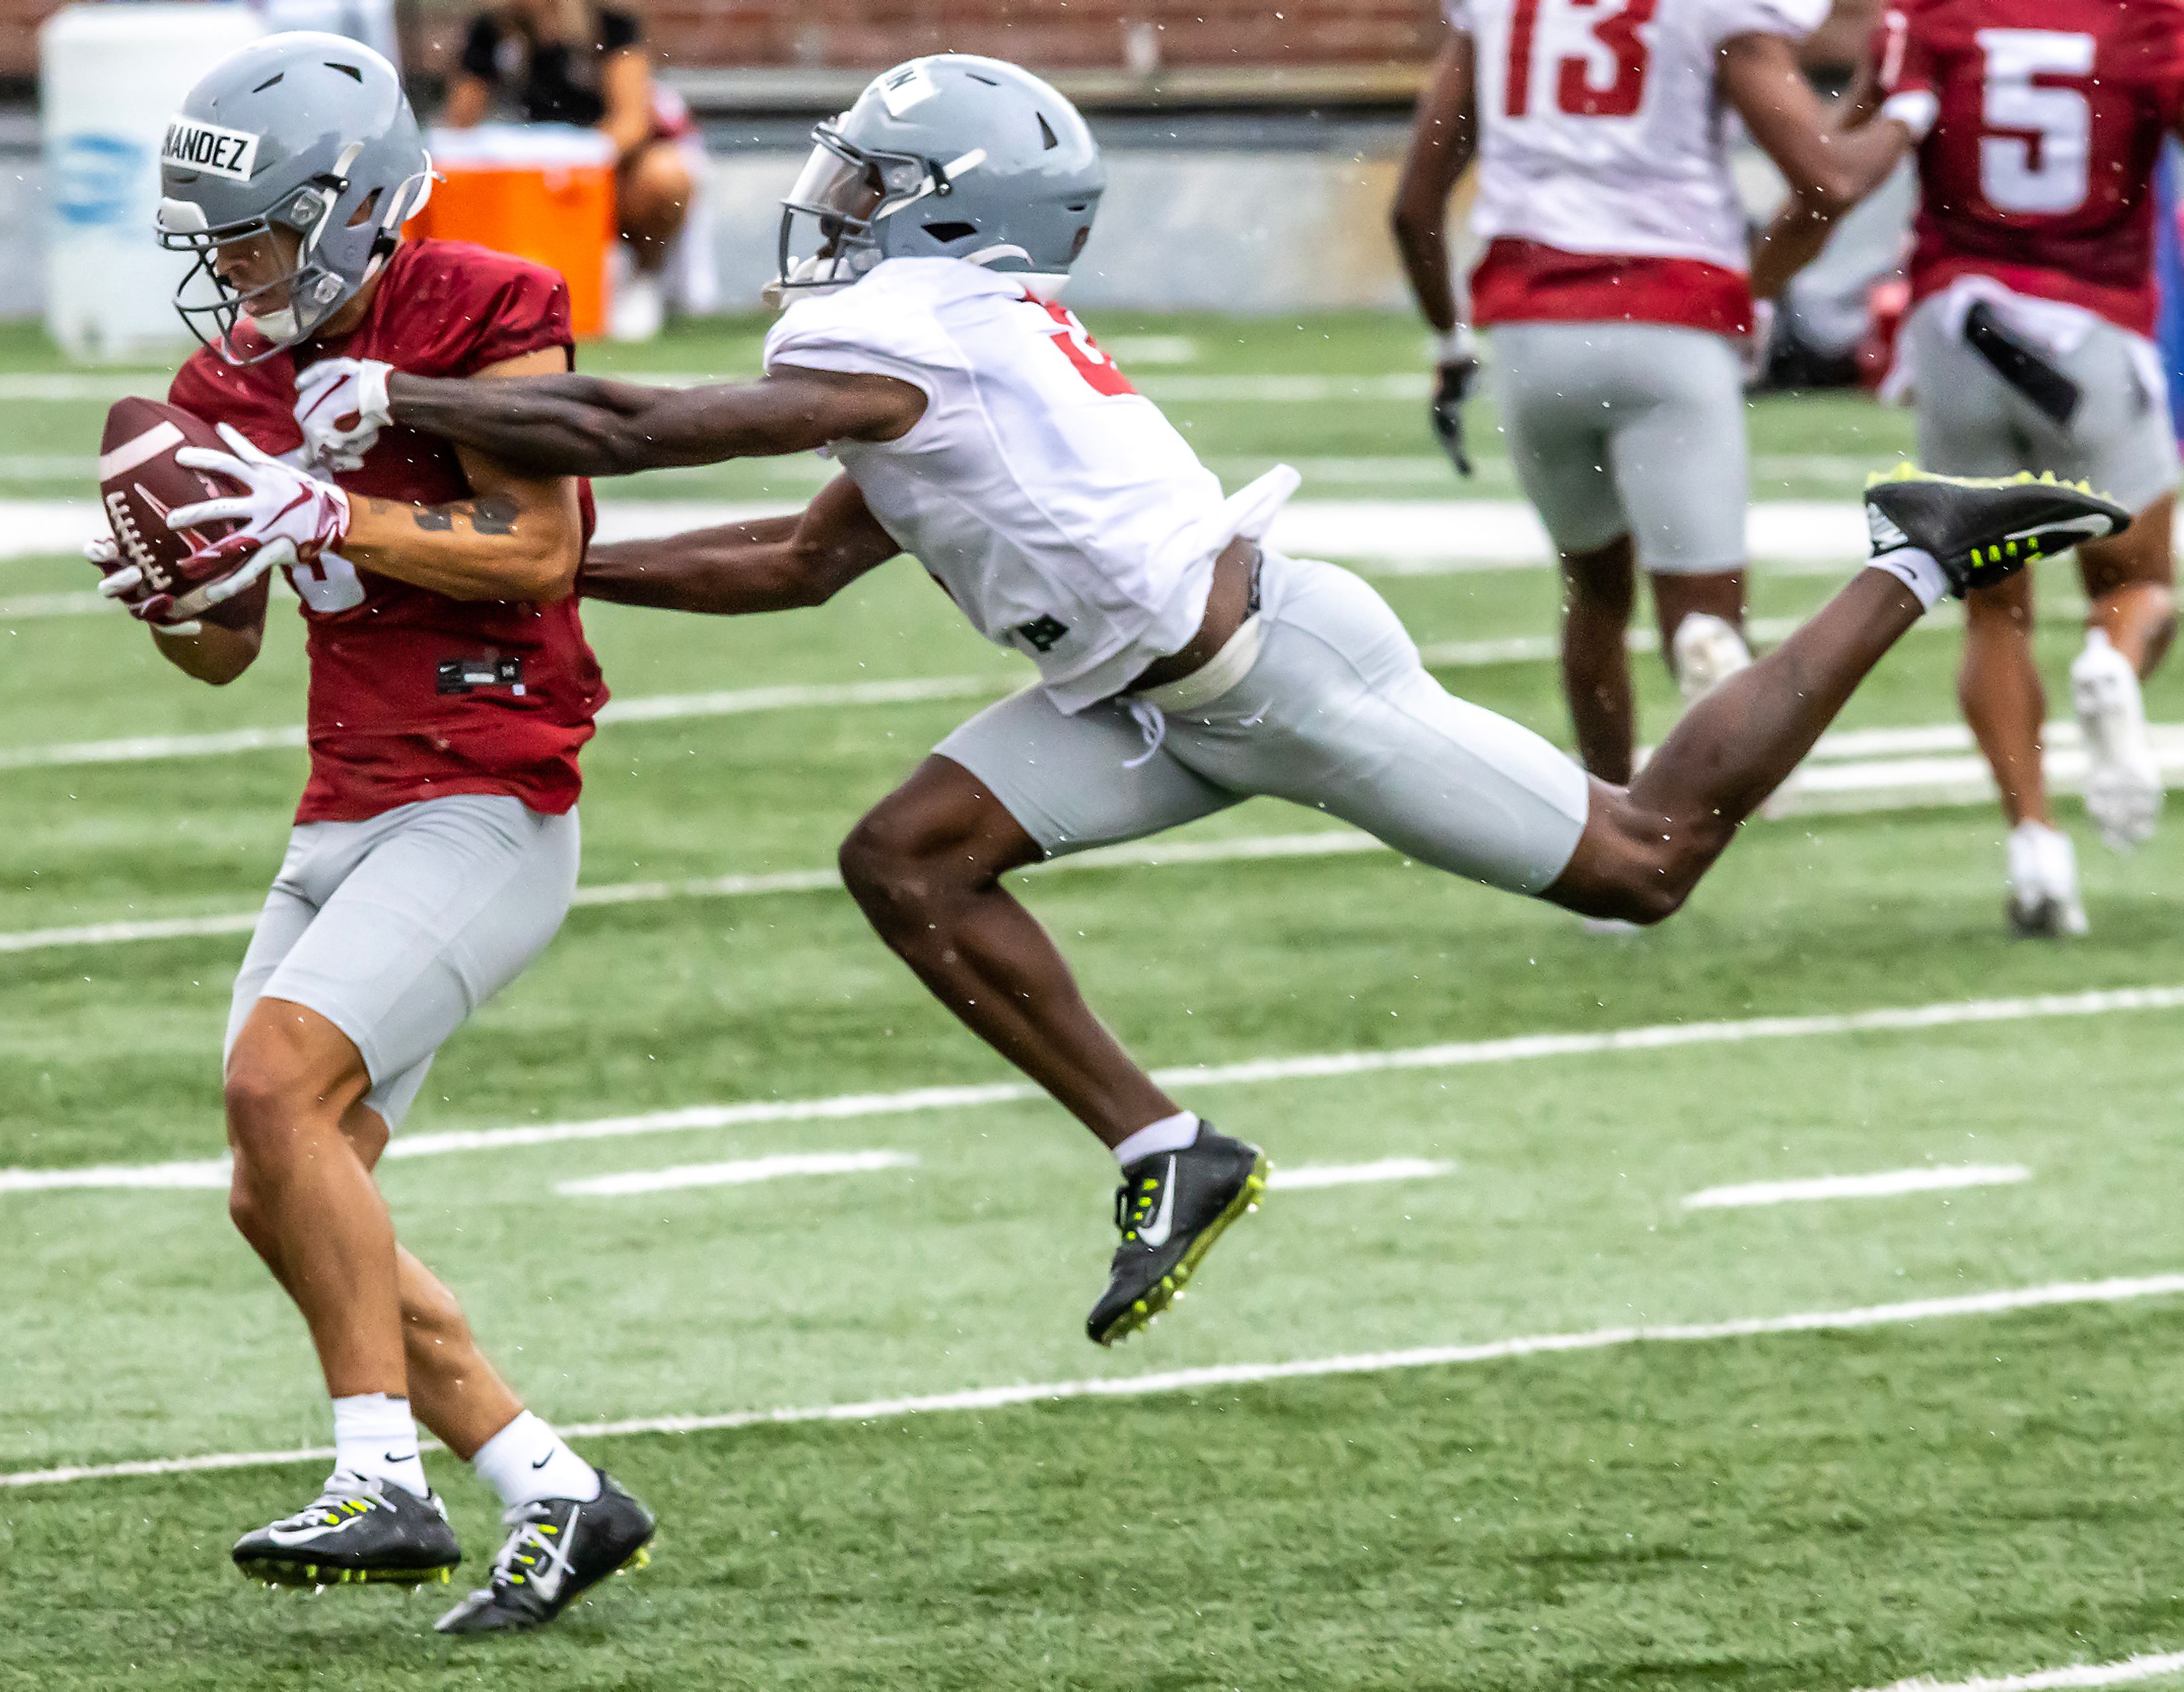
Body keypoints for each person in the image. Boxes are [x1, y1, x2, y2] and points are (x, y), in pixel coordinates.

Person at [207, 54, 2129, 1348]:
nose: (836, 204)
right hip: (1134, 695)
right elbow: (787, 561)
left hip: (1275, 675)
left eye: (871, 183)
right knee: (908, 859)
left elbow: (637, 422)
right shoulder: (925, 337)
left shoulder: (918, 331)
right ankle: (1162, 1148)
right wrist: (482, 549)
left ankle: (1904, 552)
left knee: (1636, 863)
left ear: (952, 215)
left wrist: (420, 413)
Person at [88, 31, 654, 1632]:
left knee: (273, 1082)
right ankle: (552, 1484)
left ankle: (380, 1474)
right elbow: (226, 650)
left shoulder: (480, 304)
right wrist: (169, 586)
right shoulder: (227, 382)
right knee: (278, 1180)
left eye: (253, 232)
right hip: (344, 800)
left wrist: (335, 505)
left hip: (487, 791)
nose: (228, 268)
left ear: (344, 208)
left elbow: (538, 547)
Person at [1388, 0, 1907, 807]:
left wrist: (1449, 343)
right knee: (1703, 608)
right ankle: (1702, 723)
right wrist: (1907, 110)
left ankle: (1605, 819)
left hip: (1532, 327)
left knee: (1593, 592)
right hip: (1669, 313)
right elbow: (1826, 178)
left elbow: (1415, 205)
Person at [1755, 0, 2184, 936]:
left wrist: (1756, 281)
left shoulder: (1936, 16)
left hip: (1956, 332)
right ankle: (2111, 663)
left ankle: (2035, 842)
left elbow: (1843, 166)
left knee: (1995, 608)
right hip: (2089, 327)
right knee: (2142, 582)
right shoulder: (2141, 17)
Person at [443, 0, 698, 336]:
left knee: (663, 177)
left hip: (601, 171)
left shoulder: (608, 23)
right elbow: (459, 128)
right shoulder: (493, 31)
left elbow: (630, 123)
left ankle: (639, 274)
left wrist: (574, 159)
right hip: (522, 177)